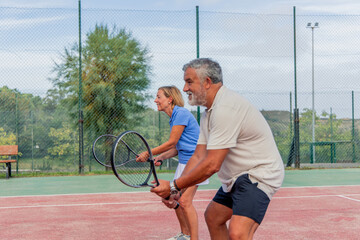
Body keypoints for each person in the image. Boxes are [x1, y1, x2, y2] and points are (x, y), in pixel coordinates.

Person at [151, 58, 285, 240]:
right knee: (213, 217)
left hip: (259, 174)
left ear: (207, 82)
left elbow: (212, 164)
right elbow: (198, 156)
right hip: (237, 177)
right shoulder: (209, 112)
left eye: (189, 82)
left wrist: (174, 186)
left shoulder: (225, 108)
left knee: (238, 233)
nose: (184, 88)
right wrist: (177, 192)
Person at [136, 85, 209, 240]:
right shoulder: (174, 117)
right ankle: (185, 234)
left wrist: (148, 153)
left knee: (185, 201)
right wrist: (161, 157)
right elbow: (178, 147)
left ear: (170, 99)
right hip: (185, 163)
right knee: (170, 198)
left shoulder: (180, 113)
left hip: (195, 162)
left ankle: (193, 238)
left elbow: (172, 142)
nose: (155, 100)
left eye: (159, 97)